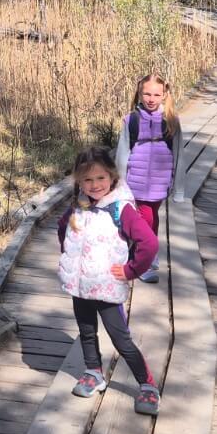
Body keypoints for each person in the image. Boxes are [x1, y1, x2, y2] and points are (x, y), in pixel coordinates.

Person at [56, 147, 161, 415]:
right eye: (88, 180)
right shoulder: (78, 205)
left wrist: (131, 270)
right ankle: (94, 372)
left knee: (120, 338)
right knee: (86, 331)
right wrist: (70, 260)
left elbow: (148, 242)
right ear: (79, 181)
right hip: (80, 286)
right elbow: (62, 229)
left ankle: (147, 386)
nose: (95, 185)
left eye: (101, 178)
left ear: (112, 176)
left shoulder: (120, 209)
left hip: (106, 287)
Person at [113, 73, 182, 283]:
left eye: (156, 94)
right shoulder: (131, 120)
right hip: (136, 182)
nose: (151, 99)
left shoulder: (170, 121)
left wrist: (178, 189)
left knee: (152, 219)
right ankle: (141, 263)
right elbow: (122, 153)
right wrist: (118, 186)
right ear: (140, 94)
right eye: (147, 94)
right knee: (145, 220)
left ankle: (147, 257)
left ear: (164, 95)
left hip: (160, 184)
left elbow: (179, 155)